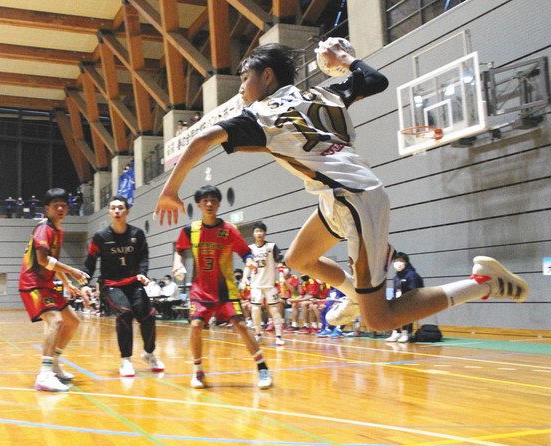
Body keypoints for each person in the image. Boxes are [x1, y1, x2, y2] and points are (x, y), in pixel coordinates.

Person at [155, 43, 528, 338]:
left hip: (354, 199)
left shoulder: (262, 114)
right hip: (339, 197)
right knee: (299, 260)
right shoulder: (324, 95)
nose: (240, 86)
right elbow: (375, 81)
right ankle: (353, 295)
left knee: (380, 319)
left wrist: (171, 190)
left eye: (244, 77)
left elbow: (205, 137)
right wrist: (346, 59)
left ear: (266, 76)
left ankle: (482, 283)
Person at [171, 185, 272, 389]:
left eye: (213, 200)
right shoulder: (190, 230)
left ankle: (262, 368)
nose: (209, 204)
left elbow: (245, 252)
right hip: (200, 290)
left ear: (218, 204)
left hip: (226, 290)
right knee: (196, 325)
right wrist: (177, 262)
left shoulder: (229, 230)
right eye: (205, 200)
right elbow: (179, 249)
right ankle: (198, 371)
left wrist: (249, 261)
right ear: (199, 204)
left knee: (242, 326)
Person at [82, 195, 164, 377]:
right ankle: (126, 360)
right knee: (125, 313)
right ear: (109, 212)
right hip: (111, 285)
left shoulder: (137, 234)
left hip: (134, 283)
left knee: (148, 315)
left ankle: (149, 353)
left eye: (120, 207)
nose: (117, 211)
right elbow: (90, 261)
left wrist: (143, 273)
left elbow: (144, 256)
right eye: (113, 208)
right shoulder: (100, 237)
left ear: (127, 211)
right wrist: (85, 284)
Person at [18, 188, 89, 392]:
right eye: (55, 205)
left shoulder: (58, 231)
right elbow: (42, 260)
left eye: (64, 205)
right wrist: (73, 271)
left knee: (73, 321)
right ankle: (45, 374)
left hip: (47, 285)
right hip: (32, 284)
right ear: (47, 208)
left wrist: (66, 283)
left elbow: (52, 263)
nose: (60, 208)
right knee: (55, 320)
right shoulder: (44, 229)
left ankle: (55, 362)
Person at [245, 222, 285, 345]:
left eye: (261, 231)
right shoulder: (250, 248)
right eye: (257, 231)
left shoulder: (272, 247)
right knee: (255, 309)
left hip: (269, 284)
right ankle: (257, 333)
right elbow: (248, 263)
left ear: (265, 233)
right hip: (256, 285)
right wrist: (245, 278)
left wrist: (282, 276)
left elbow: (280, 262)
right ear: (253, 233)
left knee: (274, 309)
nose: (259, 233)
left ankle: (278, 336)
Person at [387, 252, 424, 343]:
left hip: (412, 301)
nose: (398, 263)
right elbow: (395, 292)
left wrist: (403, 300)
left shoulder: (412, 275)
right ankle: (396, 332)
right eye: (396, 261)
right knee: (391, 309)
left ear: (406, 262)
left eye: (400, 261)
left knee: (406, 310)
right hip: (399, 301)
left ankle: (405, 332)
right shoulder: (396, 277)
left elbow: (414, 292)